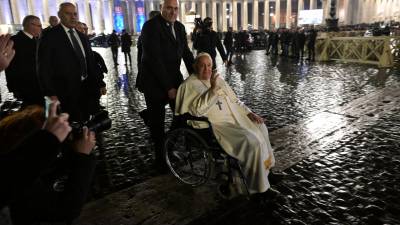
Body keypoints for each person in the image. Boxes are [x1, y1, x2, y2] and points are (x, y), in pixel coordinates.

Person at [175, 53, 276, 197]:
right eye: (202, 65)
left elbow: (236, 100)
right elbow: (196, 111)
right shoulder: (188, 85)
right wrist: (213, 90)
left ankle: (268, 171)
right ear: (195, 66)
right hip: (219, 126)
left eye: (209, 65)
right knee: (252, 142)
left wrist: (249, 113)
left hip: (236, 117)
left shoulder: (217, 79)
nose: (207, 69)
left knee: (261, 127)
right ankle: (260, 189)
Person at [0, 103, 96, 225]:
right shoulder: (17, 183)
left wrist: (73, 155)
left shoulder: (10, 161)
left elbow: (42, 173)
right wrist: (83, 157)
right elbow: (66, 209)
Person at [138, 0, 194, 172]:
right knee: (157, 124)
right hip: (154, 82)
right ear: (161, 8)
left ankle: (168, 146)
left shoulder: (179, 27)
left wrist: (199, 74)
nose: (172, 12)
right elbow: (154, 60)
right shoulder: (150, 26)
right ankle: (161, 162)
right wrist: (168, 87)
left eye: (175, 8)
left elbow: (186, 53)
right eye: (169, 8)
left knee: (182, 115)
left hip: (174, 78)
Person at [39, 2, 104, 122]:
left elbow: (90, 63)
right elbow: (44, 68)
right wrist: (50, 93)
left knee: (86, 122)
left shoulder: (82, 36)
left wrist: (99, 83)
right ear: (59, 15)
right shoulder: (50, 36)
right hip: (64, 92)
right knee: (70, 126)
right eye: (68, 14)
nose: (73, 17)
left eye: (75, 14)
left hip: (86, 89)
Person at [5, 15, 43, 108]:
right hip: (24, 86)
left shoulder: (37, 39)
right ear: (31, 25)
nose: (41, 28)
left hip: (39, 84)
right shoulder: (14, 41)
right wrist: (13, 88)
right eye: (39, 26)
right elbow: (9, 66)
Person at [76, 21, 107, 113]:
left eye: (85, 29)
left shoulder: (85, 41)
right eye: (80, 29)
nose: (84, 31)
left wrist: (101, 83)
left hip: (92, 83)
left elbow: (92, 65)